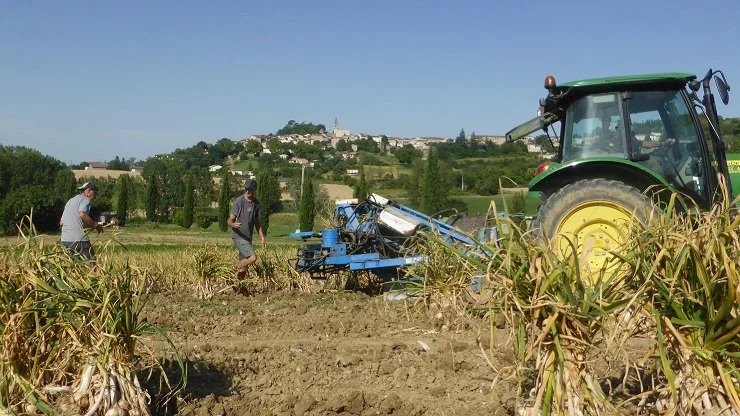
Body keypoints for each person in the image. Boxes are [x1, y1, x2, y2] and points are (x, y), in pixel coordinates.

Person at [227, 178, 266, 282]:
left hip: (248, 237)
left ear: (254, 189)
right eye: (246, 189)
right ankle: (231, 271)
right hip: (238, 236)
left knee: (244, 267)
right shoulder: (239, 202)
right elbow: (229, 221)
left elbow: (257, 223)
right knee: (253, 257)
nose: (248, 191)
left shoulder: (256, 203)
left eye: (250, 189)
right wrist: (233, 225)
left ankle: (238, 286)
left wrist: (262, 238)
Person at [60, 182, 103, 260]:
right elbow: (82, 214)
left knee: (73, 268)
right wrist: (95, 225)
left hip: (65, 240)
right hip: (79, 240)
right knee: (94, 265)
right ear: (89, 190)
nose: (95, 196)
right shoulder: (86, 199)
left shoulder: (70, 201)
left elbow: (61, 222)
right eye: (95, 192)